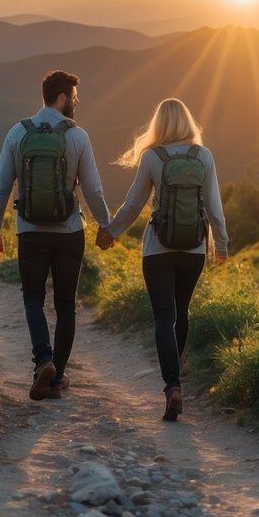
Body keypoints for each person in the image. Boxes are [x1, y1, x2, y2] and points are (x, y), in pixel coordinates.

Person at [97, 98, 228, 421]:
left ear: (159, 125)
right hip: (194, 249)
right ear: (188, 122)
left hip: (158, 249)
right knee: (181, 313)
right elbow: (214, 206)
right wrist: (221, 245)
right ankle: (177, 379)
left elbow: (133, 204)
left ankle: (172, 385)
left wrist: (111, 232)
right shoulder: (204, 156)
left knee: (163, 317)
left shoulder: (153, 157)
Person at [0, 70, 112, 401]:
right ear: (61, 98)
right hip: (69, 232)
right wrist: (106, 225)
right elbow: (93, 189)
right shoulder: (78, 136)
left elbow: (1, 186)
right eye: (74, 96)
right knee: (66, 305)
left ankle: (43, 360)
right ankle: (56, 379)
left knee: (32, 298)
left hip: (30, 231)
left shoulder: (17, 132)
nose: (76, 102)